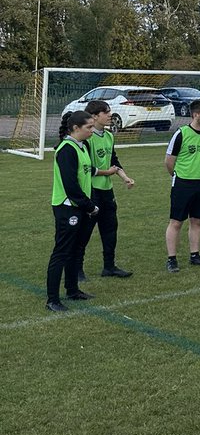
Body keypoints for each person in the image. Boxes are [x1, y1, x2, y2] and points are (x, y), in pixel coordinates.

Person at [47, 111, 99, 311]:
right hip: (67, 207)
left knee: (76, 249)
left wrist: (88, 204)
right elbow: (70, 185)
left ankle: (72, 290)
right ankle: (52, 299)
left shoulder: (82, 146)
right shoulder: (66, 149)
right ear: (76, 128)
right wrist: (90, 206)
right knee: (61, 251)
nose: (92, 130)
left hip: (80, 207)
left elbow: (84, 178)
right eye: (89, 127)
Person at [82, 99, 135, 279]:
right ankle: (77, 269)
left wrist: (125, 178)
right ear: (95, 116)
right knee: (85, 231)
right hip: (91, 191)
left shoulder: (109, 136)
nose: (110, 115)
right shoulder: (87, 139)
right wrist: (107, 172)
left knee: (110, 229)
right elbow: (85, 168)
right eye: (106, 112)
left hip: (107, 191)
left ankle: (109, 267)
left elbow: (113, 160)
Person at [164, 99, 200, 272]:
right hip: (183, 183)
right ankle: (172, 259)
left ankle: (195, 256)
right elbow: (169, 161)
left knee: (197, 220)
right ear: (195, 115)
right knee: (176, 222)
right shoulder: (181, 134)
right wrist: (178, 176)